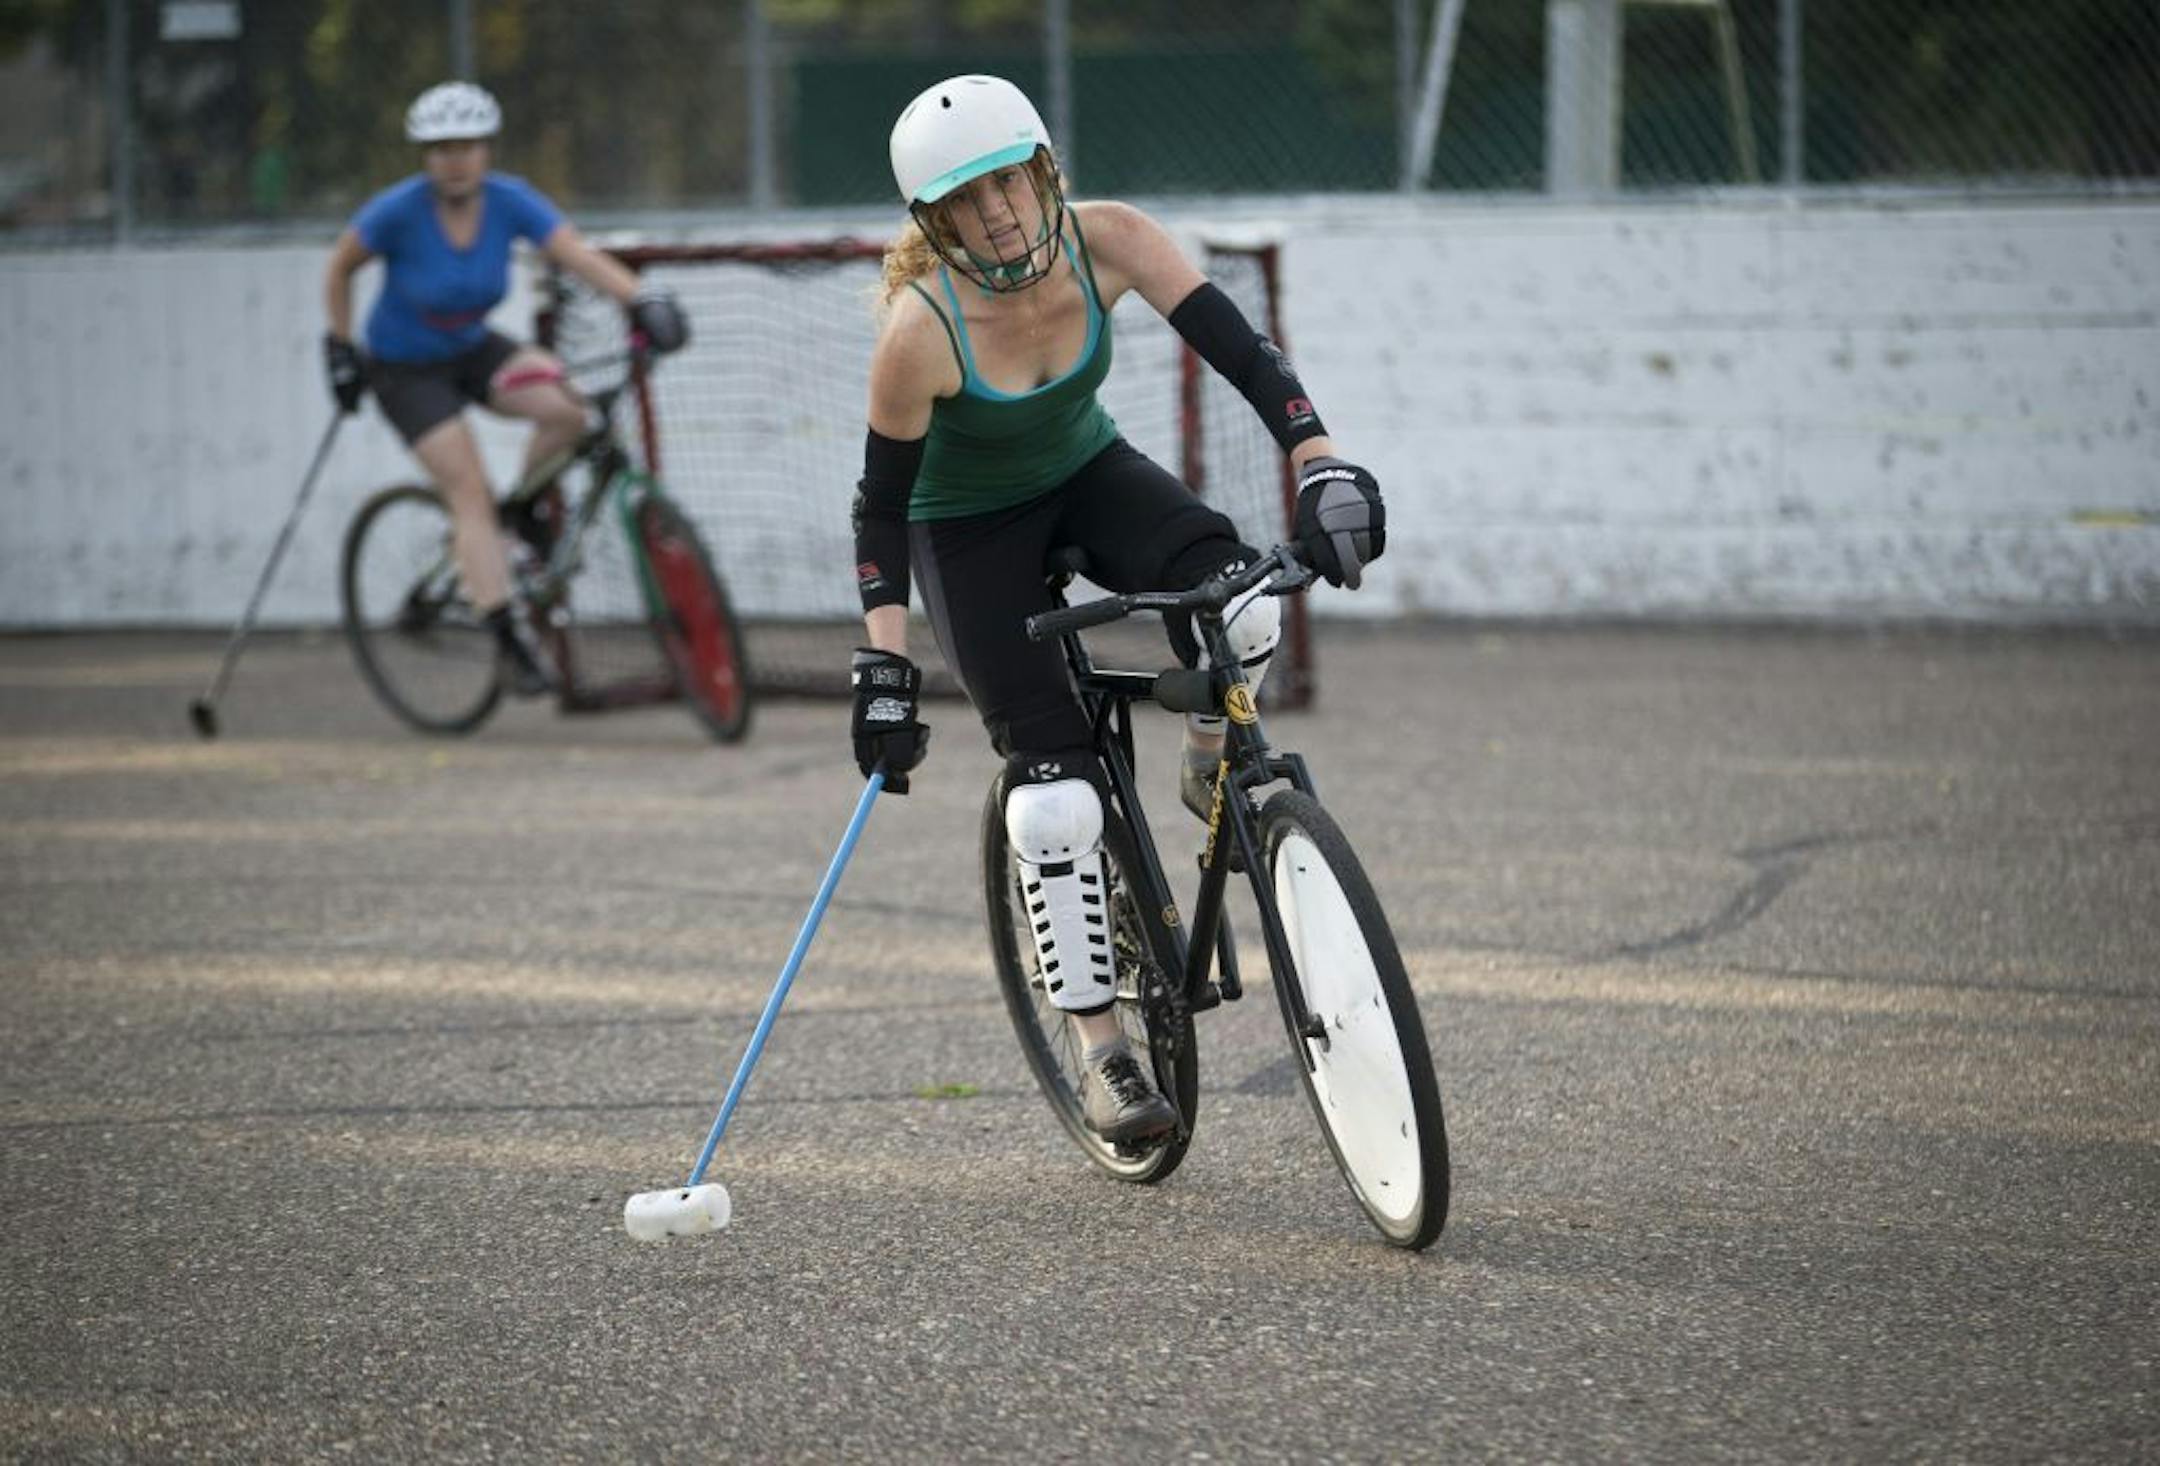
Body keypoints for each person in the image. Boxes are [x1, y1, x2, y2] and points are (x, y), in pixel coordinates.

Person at [847, 75, 1386, 1145]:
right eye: (966, 198)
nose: (996, 210)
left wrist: (1319, 460)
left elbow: (1247, 355)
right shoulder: (920, 331)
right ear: (935, 221)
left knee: (1243, 603)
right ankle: (1101, 1053)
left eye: (1009, 180)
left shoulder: (1113, 240)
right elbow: (882, 511)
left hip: (1089, 470)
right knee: (1053, 803)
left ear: (1044, 171)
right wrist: (883, 667)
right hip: (967, 531)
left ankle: (1208, 759)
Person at [322, 81, 687, 694]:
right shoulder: (399, 210)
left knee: (569, 411)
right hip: (404, 367)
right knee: (468, 491)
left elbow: (576, 253)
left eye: (467, 145)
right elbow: (341, 266)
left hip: (471, 347)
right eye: (440, 148)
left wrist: (641, 297)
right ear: (424, 155)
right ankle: (507, 636)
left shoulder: (510, 201)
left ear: (486, 149)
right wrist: (338, 347)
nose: (455, 159)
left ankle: (518, 513)